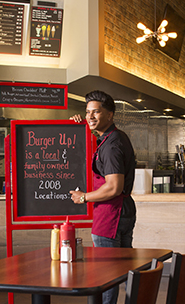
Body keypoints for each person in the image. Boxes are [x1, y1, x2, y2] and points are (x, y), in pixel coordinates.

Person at [69, 90, 137, 304]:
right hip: (123, 211)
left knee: (107, 275)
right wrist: (77, 125)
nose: (90, 116)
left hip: (111, 214)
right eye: (87, 112)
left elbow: (114, 187)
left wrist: (84, 197)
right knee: (124, 270)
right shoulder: (113, 137)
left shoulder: (111, 145)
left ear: (110, 114)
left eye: (96, 112)